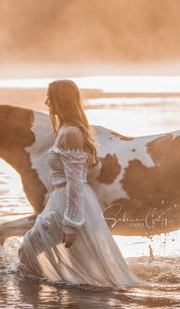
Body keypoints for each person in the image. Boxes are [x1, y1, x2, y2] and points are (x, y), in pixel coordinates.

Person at [19, 80, 141, 287]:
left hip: (68, 201)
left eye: (51, 97)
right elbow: (92, 172)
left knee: (28, 248)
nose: (46, 102)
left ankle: (36, 303)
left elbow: (76, 182)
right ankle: (45, 298)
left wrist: (71, 223)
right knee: (28, 252)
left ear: (62, 100)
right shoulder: (66, 130)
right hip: (59, 199)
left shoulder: (72, 133)